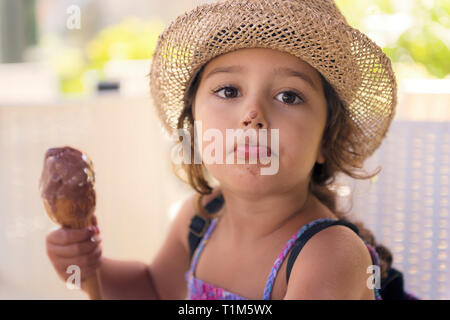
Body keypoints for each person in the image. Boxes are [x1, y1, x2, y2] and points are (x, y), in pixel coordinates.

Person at [46, 0, 419, 300]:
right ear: (193, 122)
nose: (252, 115)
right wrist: (88, 269)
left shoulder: (328, 254)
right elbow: (155, 290)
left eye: (289, 96)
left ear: (325, 139)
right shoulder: (200, 218)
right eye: (229, 91)